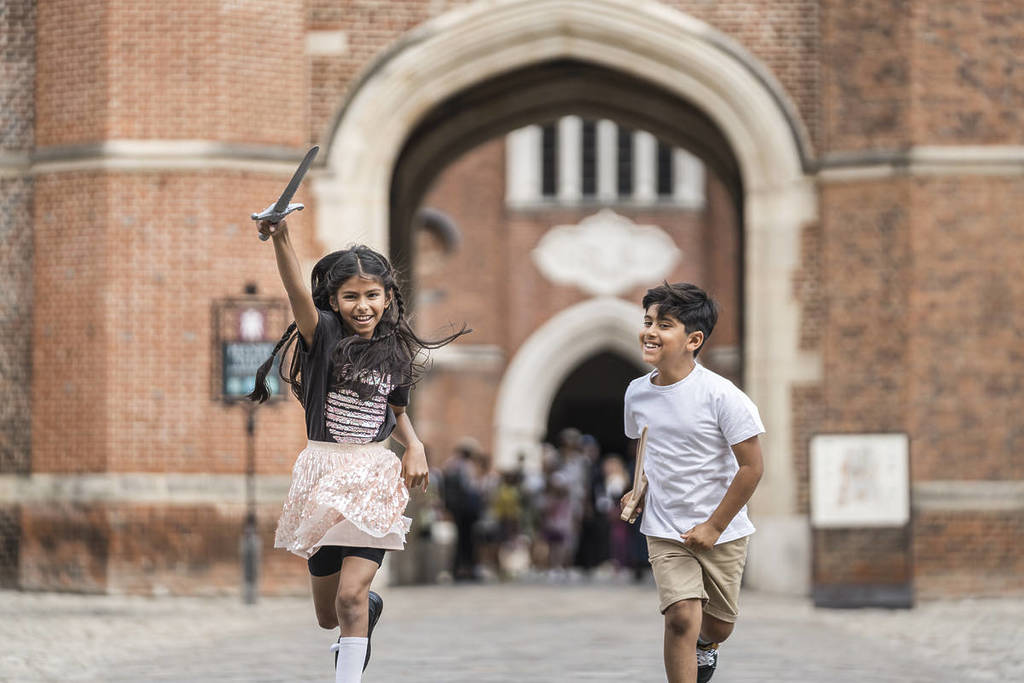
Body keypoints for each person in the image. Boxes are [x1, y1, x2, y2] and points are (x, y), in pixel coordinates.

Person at [249, 218, 468, 682]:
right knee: (329, 614)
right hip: (322, 475)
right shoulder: (322, 335)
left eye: (372, 295)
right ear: (333, 301)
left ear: (387, 296)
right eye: (351, 296)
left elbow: (395, 408)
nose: (363, 305)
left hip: (373, 478)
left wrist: (415, 446)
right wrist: (283, 238)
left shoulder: (395, 350)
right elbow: (295, 295)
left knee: (348, 597)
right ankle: (368, 609)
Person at [620, 282, 764, 683]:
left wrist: (714, 526)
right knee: (681, 616)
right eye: (648, 321)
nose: (650, 331)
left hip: (723, 531)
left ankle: (708, 646)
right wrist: (639, 487)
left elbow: (752, 468)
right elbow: (647, 449)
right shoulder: (636, 394)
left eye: (664, 324)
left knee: (718, 626)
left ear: (693, 339)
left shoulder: (723, 396)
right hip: (666, 529)